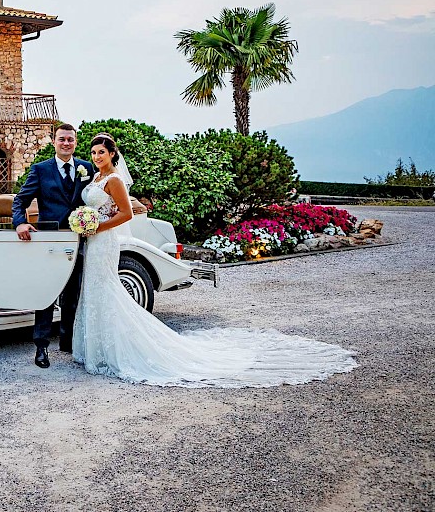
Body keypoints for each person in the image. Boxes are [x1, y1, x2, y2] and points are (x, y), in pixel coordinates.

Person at [74, 133, 357, 387]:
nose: (97, 157)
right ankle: (95, 350)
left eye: (102, 152)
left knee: (108, 289)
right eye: (94, 152)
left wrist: (97, 226)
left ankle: (117, 351)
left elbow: (126, 214)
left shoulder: (114, 180)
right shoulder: (96, 178)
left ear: (113, 154)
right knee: (95, 290)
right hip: (93, 240)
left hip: (106, 239)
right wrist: (85, 223)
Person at [13, 123, 96, 368]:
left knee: (73, 294)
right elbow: (20, 200)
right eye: (62, 139)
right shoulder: (40, 170)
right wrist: (20, 223)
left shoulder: (87, 168)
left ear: (76, 142)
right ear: (54, 142)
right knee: (47, 296)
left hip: (79, 240)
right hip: (49, 241)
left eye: (70, 139)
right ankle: (41, 348)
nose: (66, 143)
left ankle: (68, 341)